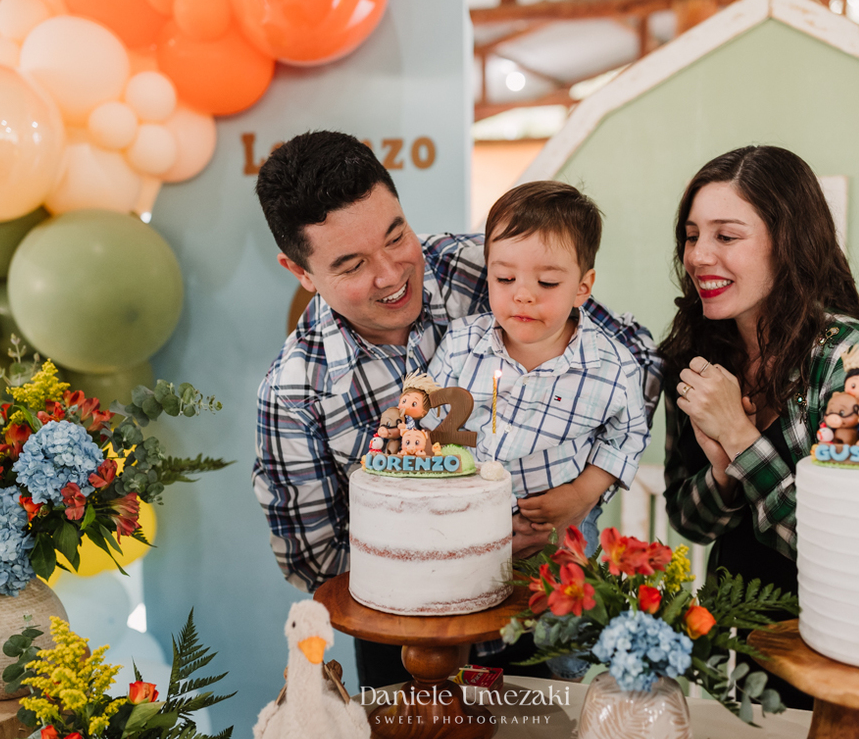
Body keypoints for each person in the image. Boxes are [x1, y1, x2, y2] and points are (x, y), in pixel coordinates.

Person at [252, 131, 663, 688]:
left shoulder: (489, 268)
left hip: (547, 601)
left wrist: (584, 493)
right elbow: (315, 559)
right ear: (301, 272)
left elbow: (636, 359)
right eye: (351, 266)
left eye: (397, 236)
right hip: (409, 647)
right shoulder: (294, 393)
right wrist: (460, 548)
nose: (392, 274)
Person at [658, 145, 859, 709]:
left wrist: (741, 439)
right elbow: (689, 521)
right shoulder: (695, 353)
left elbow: (844, 548)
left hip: (827, 652)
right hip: (726, 646)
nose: (700, 256)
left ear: (786, 242)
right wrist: (723, 474)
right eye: (692, 236)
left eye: (727, 236)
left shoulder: (854, 364)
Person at [427, 181, 650, 553]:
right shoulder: (461, 345)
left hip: (557, 536)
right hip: (463, 525)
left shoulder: (611, 367)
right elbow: (430, 424)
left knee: (566, 608)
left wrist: (580, 494)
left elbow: (626, 439)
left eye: (546, 282)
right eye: (504, 278)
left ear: (582, 287)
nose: (523, 294)